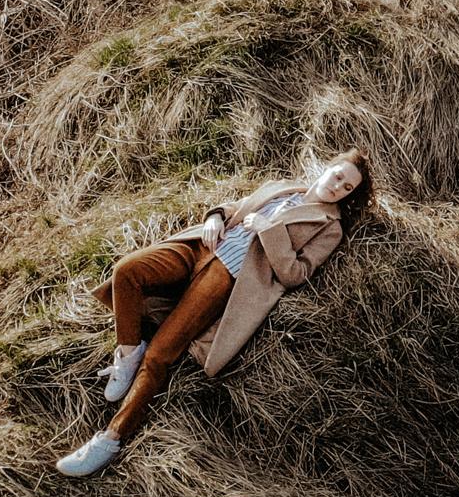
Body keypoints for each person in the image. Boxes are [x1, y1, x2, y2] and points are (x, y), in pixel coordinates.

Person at [54, 150, 374, 477]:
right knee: (127, 271)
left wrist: (270, 229)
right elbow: (239, 208)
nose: (338, 187)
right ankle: (127, 353)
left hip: (228, 275)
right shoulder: (285, 186)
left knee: (162, 354)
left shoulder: (330, 227)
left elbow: (296, 274)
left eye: (347, 188)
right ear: (327, 167)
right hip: (201, 247)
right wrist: (216, 216)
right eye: (338, 176)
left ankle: (110, 440)